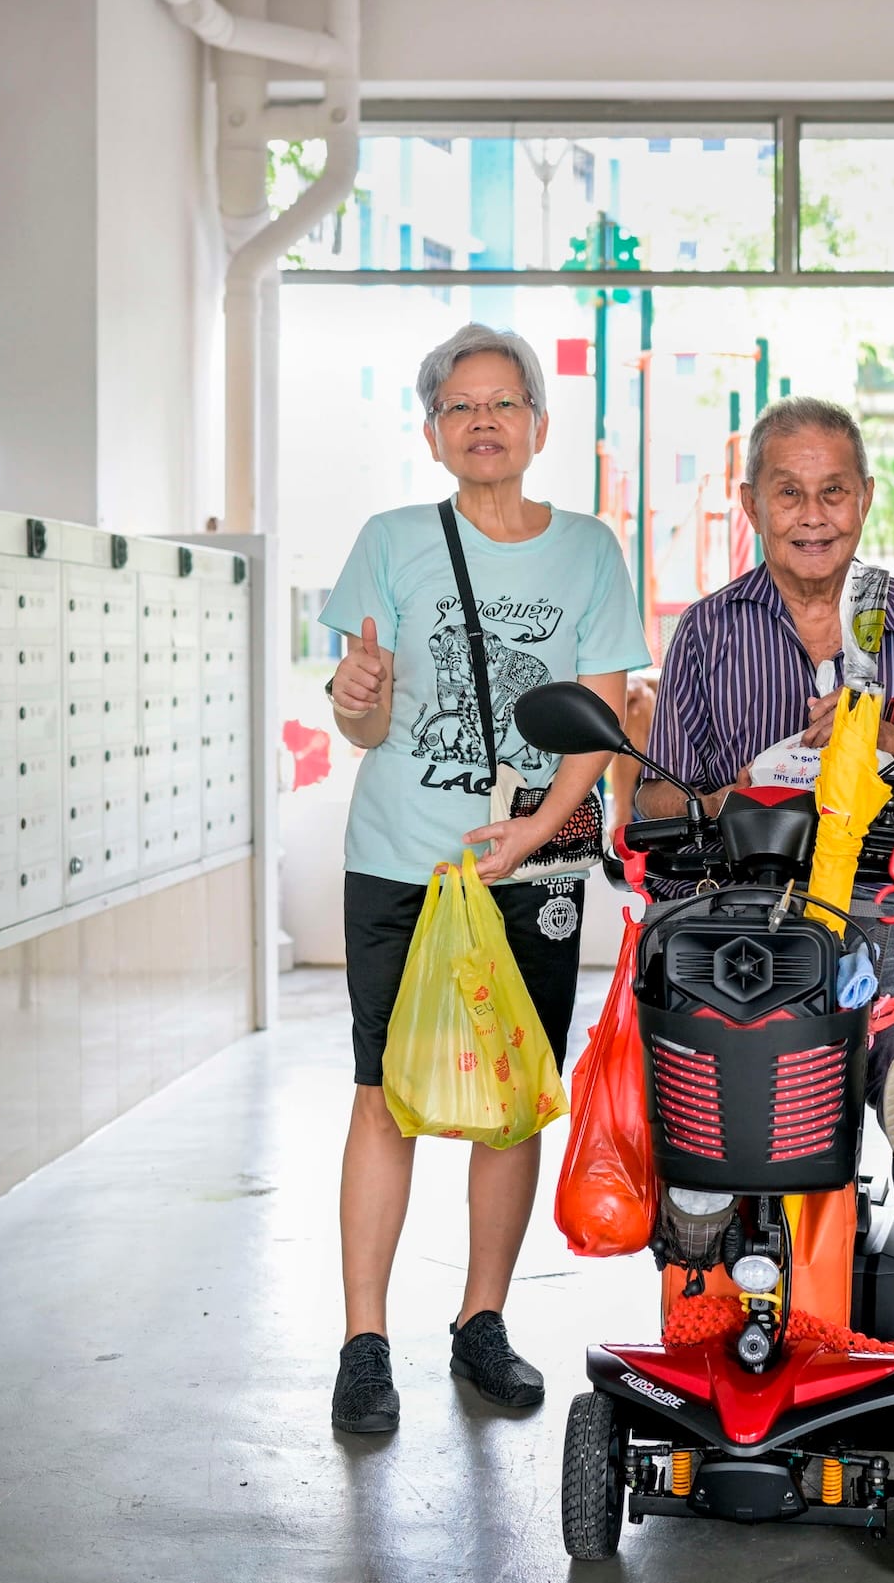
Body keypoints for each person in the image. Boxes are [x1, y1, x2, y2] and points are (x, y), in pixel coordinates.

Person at [319, 323, 652, 1435]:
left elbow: (599, 719)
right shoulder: (391, 540)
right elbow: (362, 725)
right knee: (384, 1091)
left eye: (503, 402)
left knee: (512, 1100)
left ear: (538, 424)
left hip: (530, 864)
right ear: (431, 433)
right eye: (459, 406)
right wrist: (358, 692)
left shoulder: (588, 550)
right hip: (400, 858)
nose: (483, 422)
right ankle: (364, 1342)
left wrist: (536, 831)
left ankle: (481, 1321)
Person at [637, 396, 894, 1271]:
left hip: (887, 887)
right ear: (751, 502)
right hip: (736, 889)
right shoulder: (708, 631)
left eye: (833, 491)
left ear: (864, 497)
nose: (812, 515)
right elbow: (654, 799)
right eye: (788, 492)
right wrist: (729, 796)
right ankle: (698, 1199)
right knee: (696, 995)